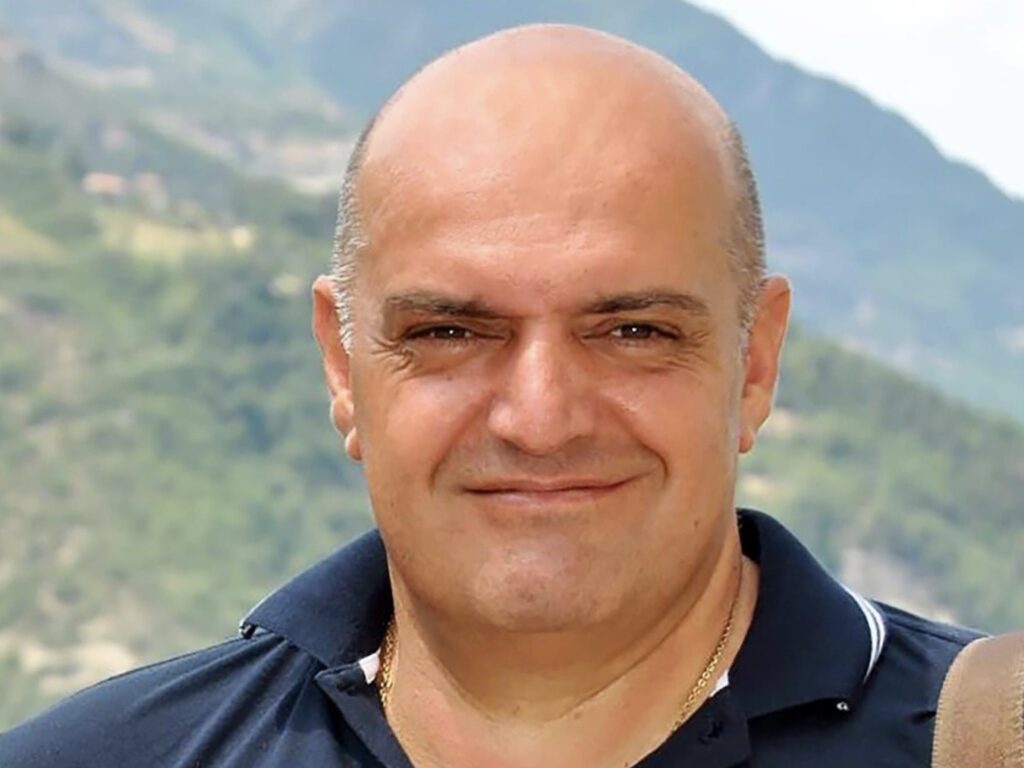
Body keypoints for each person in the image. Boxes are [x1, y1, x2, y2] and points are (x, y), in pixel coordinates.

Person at [0, 23, 979, 768]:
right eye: (451, 333)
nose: (540, 420)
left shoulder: (978, 738)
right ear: (342, 366)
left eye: (632, 332)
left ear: (754, 363)